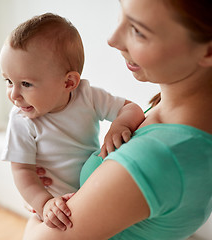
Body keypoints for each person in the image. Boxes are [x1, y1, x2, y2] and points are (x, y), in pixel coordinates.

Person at [22, 0, 212, 239]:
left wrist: (39, 210)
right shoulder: (174, 118)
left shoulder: (156, 157)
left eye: (138, 31)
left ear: (207, 50)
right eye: (121, 14)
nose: (112, 39)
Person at [0, 13, 145, 231]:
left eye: (26, 84)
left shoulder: (87, 96)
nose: (14, 94)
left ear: (69, 82)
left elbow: (131, 109)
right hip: (58, 206)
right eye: (9, 81)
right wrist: (43, 203)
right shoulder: (21, 119)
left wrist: (119, 125)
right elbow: (22, 171)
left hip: (94, 192)